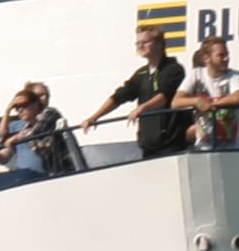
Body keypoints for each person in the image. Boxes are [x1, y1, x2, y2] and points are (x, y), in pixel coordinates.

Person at [81, 25, 192, 157]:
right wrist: (94, 117)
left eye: (145, 42)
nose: (140, 46)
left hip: (171, 146)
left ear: (159, 44)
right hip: (148, 147)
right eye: (138, 43)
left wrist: (142, 108)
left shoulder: (174, 69)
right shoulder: (141, 74)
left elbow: (164, 97)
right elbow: (119, 97)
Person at [180, 36, 239, 149]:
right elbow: (176, 101)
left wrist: (212, 105)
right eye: (221, 55)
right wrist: (196, 101)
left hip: (234, 147)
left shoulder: (235, 75)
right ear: (207, 58)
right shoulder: (196, 75)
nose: (226, 58)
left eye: (227, 55)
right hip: (204, 145)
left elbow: (237, 97)